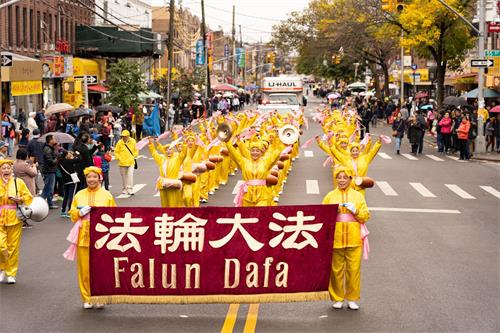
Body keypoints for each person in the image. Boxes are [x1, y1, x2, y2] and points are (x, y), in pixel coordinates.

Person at [65, 166, 116, 309]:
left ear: (100, 178)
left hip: (102, 236)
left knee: (101, 268)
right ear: (86, 179)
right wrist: (79, 213)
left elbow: (115, 215)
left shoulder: (107, 196)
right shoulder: (79, 195)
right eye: (89, 177)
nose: (91, 179)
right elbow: (72, 214)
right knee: (84, 269)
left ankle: (100, 297)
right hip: (84, 235)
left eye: (94, 177)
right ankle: (86, 298)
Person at [322, 166, 370, 310]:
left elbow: (366, 216)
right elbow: (321, 215)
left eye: (345, 177)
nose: (341, 180)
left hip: (354, 238)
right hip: (335, 239)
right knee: (336, 270)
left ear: (350, 179)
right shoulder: (330, 196)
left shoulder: (358, 196)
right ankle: (337, 298)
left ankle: (352, 298)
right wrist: (331, 212)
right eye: (339, 177)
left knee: (353, 270)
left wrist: (355, 211)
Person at [0, 159, 33, 284]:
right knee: (1, 246)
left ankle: (11, 273)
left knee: (13, 247)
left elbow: (28, 197)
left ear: (11, 170)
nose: (6, 170)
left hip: (15, 217)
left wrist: (20, 199)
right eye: (4, 168)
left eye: (8, 168)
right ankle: (2, 267)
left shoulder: (18, 182)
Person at [58, 150, 82, 218]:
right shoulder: (69, 161)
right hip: (72, 180)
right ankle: (69, 211)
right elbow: (79, 159)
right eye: (68, 153)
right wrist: (77, 153)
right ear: (66, 155)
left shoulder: (60, 162)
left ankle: (63, 211)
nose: (70, 154)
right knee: (71, 196)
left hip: (65, 181)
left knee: (66, 196)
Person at [114, 130, 138, 195]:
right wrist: (118, 158)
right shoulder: (119, 142)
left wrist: (134, 156)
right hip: (122, 162)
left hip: (131, 162)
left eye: (125, 136)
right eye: (122, 136)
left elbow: (136, 150)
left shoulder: (133, 141)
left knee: (130, 175)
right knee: (124, 177)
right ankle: (124, 188)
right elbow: (116, 151)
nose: (123, 137)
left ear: (128, 136)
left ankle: (130, 189)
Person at [41, 134, 59, 209]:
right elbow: (50, 161)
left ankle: (42, 202)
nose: (55, 140)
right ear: (50, 140)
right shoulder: (47, 149)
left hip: (50, 170)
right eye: (54, 139)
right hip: (49, 171)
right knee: (49, 188)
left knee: (47, 188)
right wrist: (57, 158)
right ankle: (48, 203)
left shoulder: (50, 148)